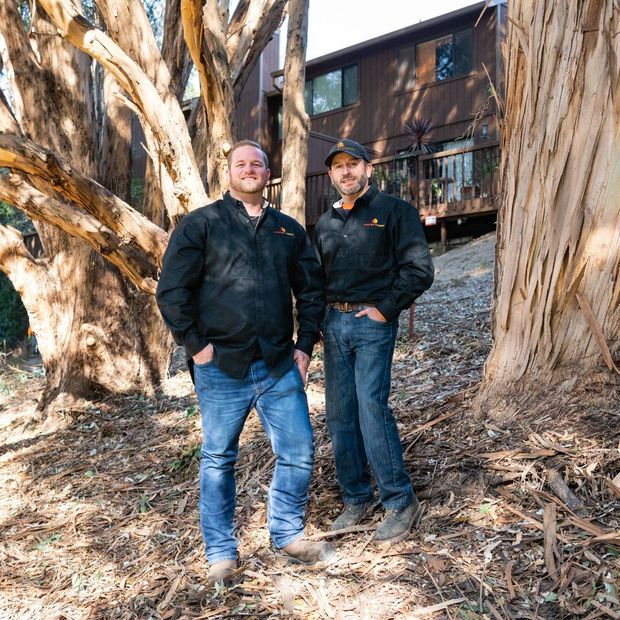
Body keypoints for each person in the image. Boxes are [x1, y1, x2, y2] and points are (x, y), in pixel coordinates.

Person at [156, 140, 334, 582]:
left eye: (257, 163)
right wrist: (197, 347)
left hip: (277, 365)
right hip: (221, 367)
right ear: (229, 173)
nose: (250, 169)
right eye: (241, 163)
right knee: (218, 458)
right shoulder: (201, 225)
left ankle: (288, 535)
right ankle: (220, 554)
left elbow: (312, 292)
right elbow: (172, 292)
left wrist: (305, 346)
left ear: (267, 173)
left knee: (297, 451)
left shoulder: (288, 230)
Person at [313, 139, 434, 544]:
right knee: (339, 414)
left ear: (369, 168)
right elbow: (315, 281)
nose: (346, 172)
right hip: (334, 323)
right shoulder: (325, 223)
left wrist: (384, 309)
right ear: (331, 176)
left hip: (372, 323)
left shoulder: (394, 212)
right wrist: (312, 328)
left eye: (353, 164)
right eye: (338, 167)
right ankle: (356, 497)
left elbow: (418, 270)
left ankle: (400, 500)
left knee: (370, 407)